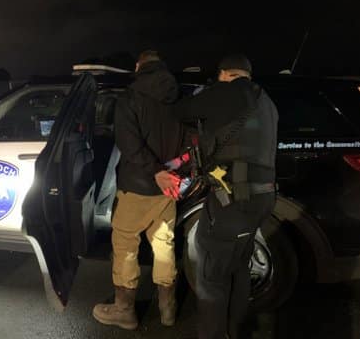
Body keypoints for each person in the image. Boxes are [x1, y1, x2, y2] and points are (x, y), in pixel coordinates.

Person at [173, 54, 278, 339]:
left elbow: (181, 111)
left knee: (211, 278)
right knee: (238, 268)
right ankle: (233, 332)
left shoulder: (224, 92)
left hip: (232, 199)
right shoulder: (266, 101)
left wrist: (202, 93)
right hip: (263, 197)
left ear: (223, 74)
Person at [92, 50, 184, 330]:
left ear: (138, 67)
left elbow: (129, 144)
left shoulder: (129, 97)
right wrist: (168, 171)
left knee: (125, 245)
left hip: (138, 186)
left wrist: (154, 172)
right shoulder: (177, 97)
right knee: (164, 244)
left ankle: (124, 310)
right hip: (168, 187)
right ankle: (168, 309)